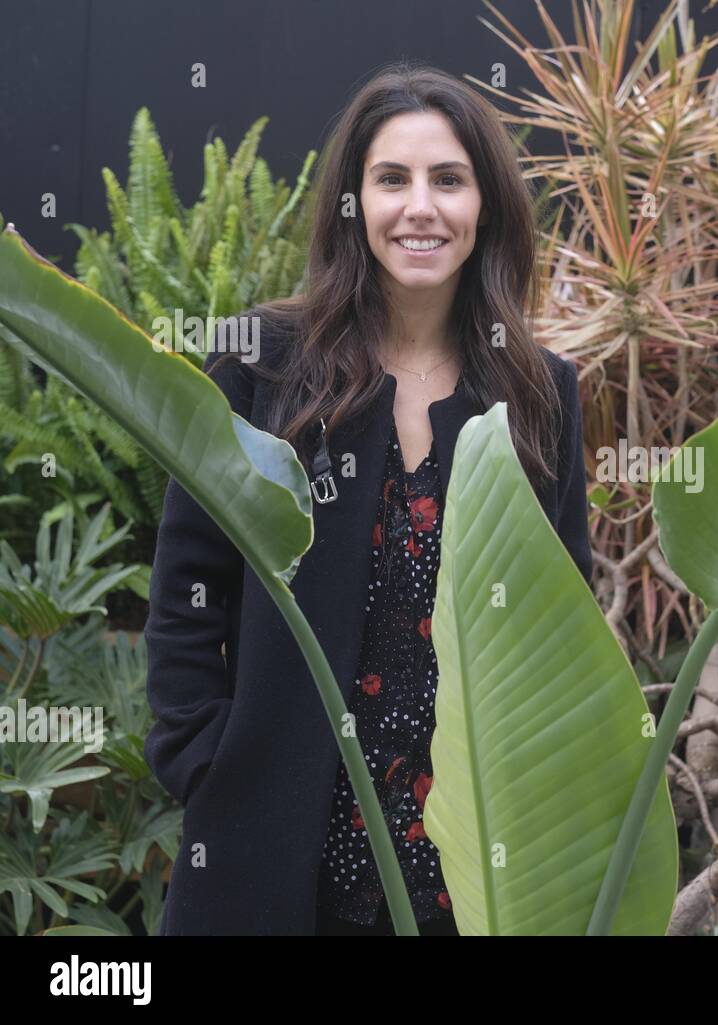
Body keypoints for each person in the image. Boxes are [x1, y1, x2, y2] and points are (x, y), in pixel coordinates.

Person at [143, 62, 592, 936]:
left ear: (486, 206)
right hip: (271, 837)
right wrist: (207, 761)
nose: (419, 207)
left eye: (449, 180)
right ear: (351, 203)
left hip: (468, 862)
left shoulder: (540, 390)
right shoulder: (260, 367)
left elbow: (561, 611)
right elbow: (184, 593)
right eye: (392, 179)